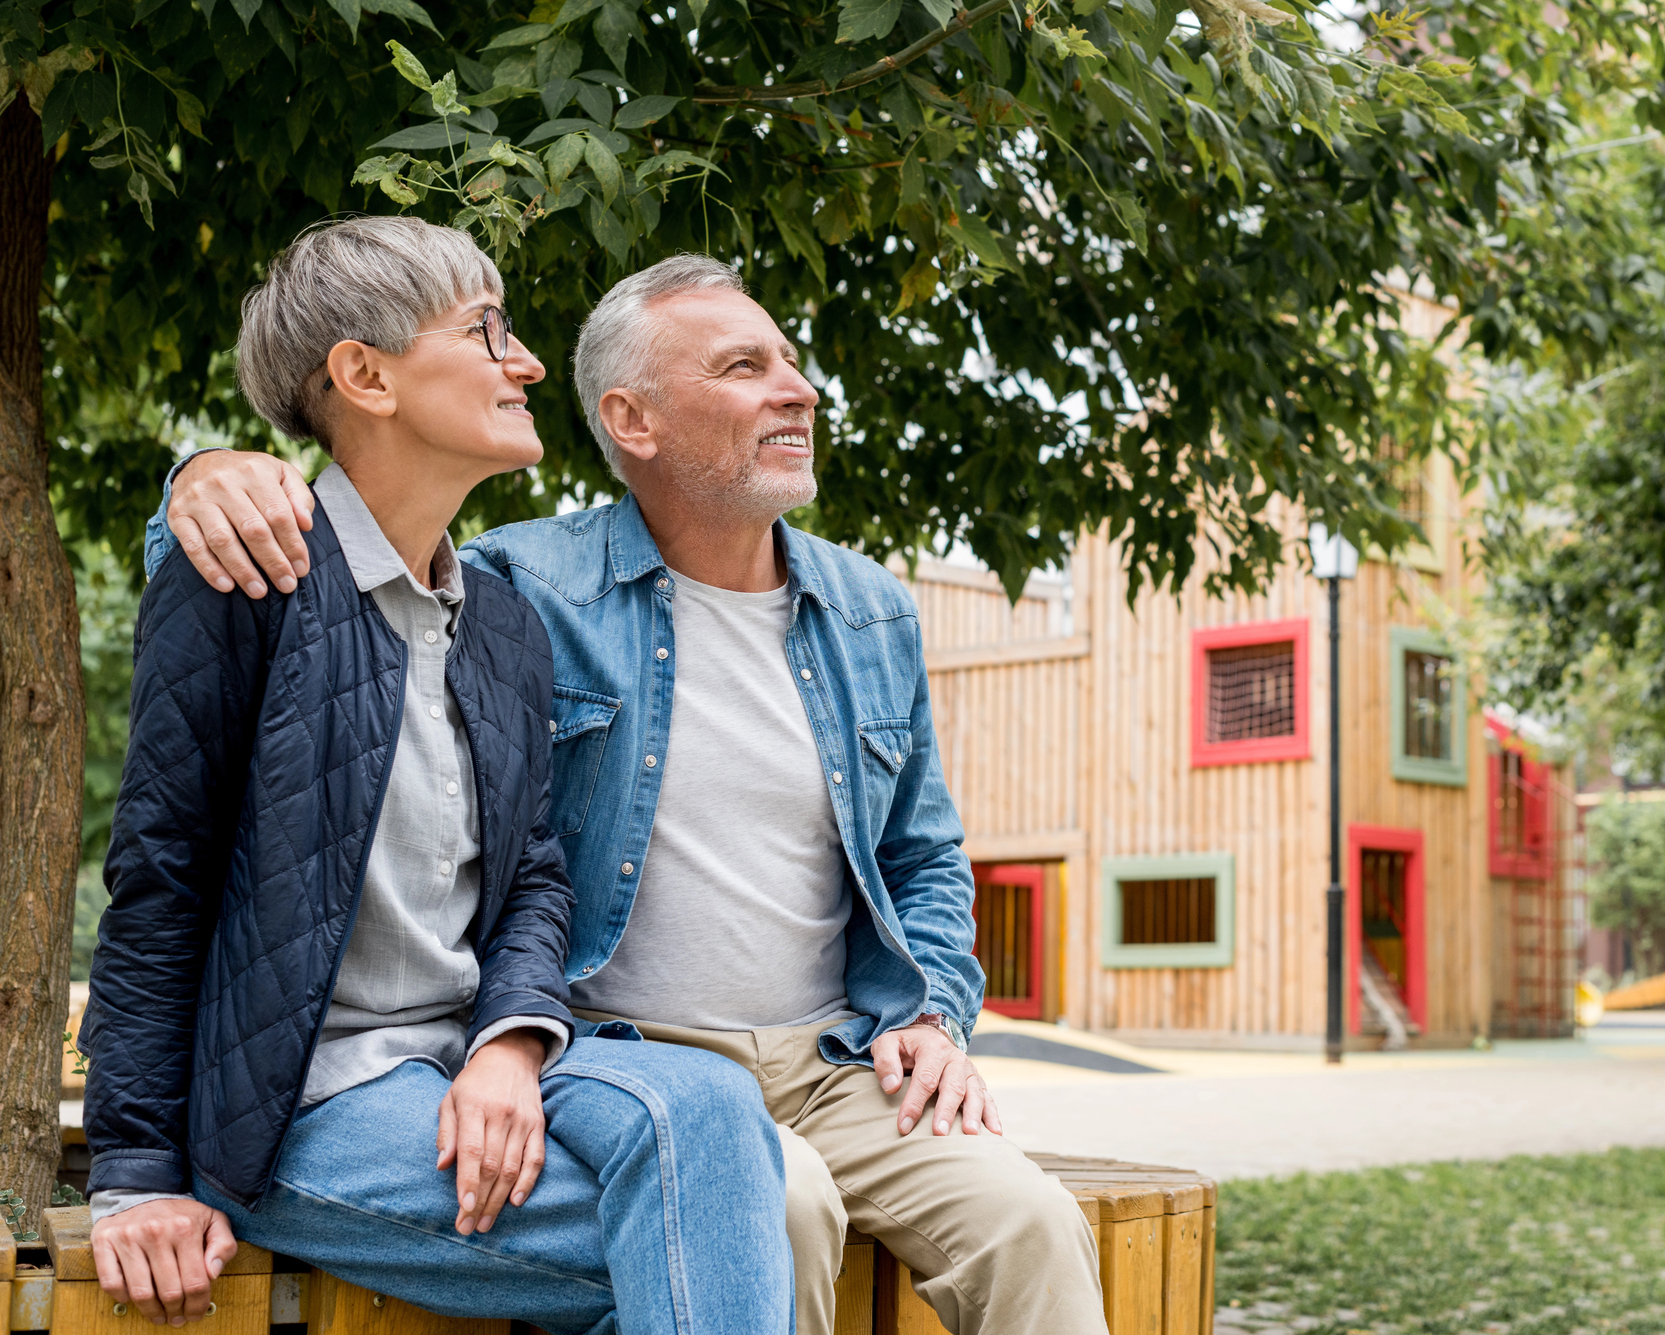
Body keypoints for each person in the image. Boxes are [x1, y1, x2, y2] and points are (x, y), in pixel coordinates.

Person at [145, 253, 1108, 1335]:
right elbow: (335, 565)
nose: (795, 389)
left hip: (838, 1061)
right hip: (618, 1050)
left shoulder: (869, 609)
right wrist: (201, 477)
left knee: (1031, 1222)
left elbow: (920, 855)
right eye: (745, 366)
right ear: (632, 422)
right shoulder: (523, 589)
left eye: (789, 361)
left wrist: (934, 1009)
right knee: (767, 1209)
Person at [88, 219, 791, 1335]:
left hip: (471, 1060)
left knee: (708, 1108)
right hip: (304, 1100)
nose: (523, 363)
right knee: (726, 1233)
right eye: (486, 331)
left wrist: (512, 1045)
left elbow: (533, 880)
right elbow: (160, 875)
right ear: (364, 375)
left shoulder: (502, 623)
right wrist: (135, 1174)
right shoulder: (246, 576)